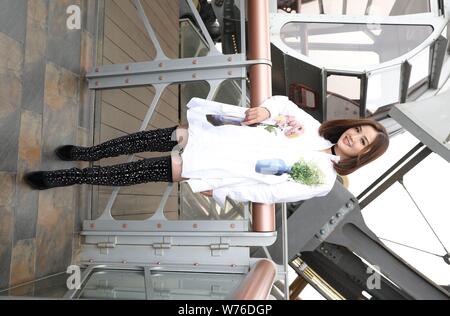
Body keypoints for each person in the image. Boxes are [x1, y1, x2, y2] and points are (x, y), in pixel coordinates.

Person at [24, 96, 389, 208]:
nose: (353, 138)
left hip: (212, 164)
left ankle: (61, 178)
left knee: (125, 175)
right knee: (131, 142)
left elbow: (272, 193)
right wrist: (266, 111)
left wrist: (224, 190)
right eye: (357, 131)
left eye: (361, 142)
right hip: (210, 134)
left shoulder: (323, 178)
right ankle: (84, 152)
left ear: (362, 155)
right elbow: (282, 104)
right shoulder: (312, 127)